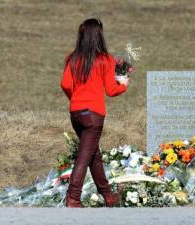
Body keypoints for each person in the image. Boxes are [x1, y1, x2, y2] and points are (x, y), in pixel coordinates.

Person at [60, 18, 129, 207]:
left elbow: (65, 84)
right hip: (94, 115)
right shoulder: (105, 59)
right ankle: (73, 197)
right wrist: (123, 83)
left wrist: (76, 99)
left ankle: (108, 195)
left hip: (76, 113)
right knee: (85, 155)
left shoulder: (72, 58)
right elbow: (112, 90)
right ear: (99, 35)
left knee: (93, 155)